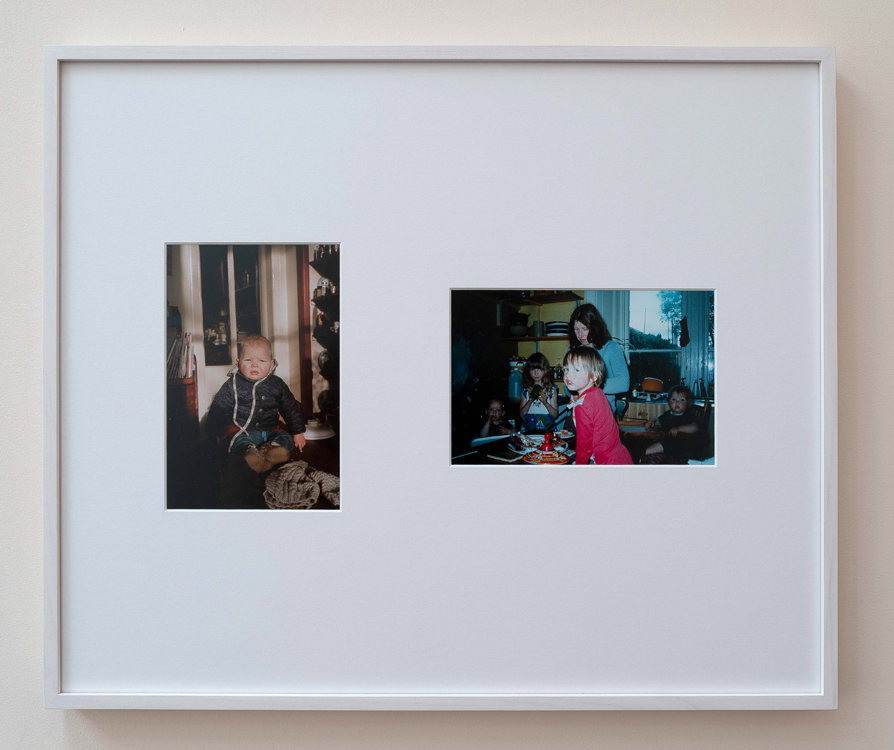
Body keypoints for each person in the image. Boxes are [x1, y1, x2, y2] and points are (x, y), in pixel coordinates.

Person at [206, 334, 306, 473]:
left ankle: (273, 449)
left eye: (262, 361)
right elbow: (219, 407)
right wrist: (213, 433)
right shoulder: (232, 385)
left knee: (286, 438)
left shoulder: (277, 384)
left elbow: (290, 408)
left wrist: (298, 432)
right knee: (236, 440)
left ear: (271, 364)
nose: (254, 364)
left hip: (270, 430)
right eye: (248, 360)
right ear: (238, 363)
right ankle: (249, 453)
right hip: (242, 430)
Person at [563, 347, 632, 465]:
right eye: (566, 369)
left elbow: (584, 444)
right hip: (617, 455)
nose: (568, 374)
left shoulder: (583, 405)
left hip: (605, 461)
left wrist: (579, 466)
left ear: (594, 376)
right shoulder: (597, 392)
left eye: (576, 370)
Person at [567, 303, 630, 408]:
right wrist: (572, 392)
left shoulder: (611, 348)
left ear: (595, 327)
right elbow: (567, 384)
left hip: (604, 411)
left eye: (585, 329)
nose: (580, 334)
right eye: (576, 329)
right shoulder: (573, 350)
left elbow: (623, 383)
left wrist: (587, 385)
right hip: (581, 409)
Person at [642, 385, 702, 463]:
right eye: (673, 399)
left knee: (660, 445)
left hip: (680, 446)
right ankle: (642, 456)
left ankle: (641, 455)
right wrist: (652, 421)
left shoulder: (688, 416)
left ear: (689, 404)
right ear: (669, 402)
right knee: (648, 442)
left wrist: (679, 429)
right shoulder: (667, 414)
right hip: (667, 442)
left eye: (682, 400)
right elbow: (658, 420)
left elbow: (695, 427)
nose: (677, 402)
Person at [519, 352, 558, 432]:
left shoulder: (551, 390)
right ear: (528, 371)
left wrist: (546, 403)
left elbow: (555, 415)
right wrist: (530, 400)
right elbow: (521, 414)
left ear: (546, 370)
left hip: (546, 426)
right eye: (532, 369)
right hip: (529, 426)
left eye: (540, 369)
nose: (536, 373)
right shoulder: (525, 390)